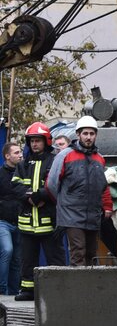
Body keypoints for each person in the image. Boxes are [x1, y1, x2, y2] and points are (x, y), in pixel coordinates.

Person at [47, 116, 112, 267]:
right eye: (85, 133)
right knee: (78, 252)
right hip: (71, 215)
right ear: (78, 135)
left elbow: (102, 186)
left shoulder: (99, 159)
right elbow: (51, 184)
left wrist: (107, 205)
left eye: (92, 134)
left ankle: (89, 289)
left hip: (93, 215)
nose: (88, 137)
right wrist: (64, 203)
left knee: (91, 254)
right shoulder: (65, 155)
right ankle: (76, 289)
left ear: (96, 135)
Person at [12, 123, 65, 300]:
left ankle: (59, 289)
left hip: (48, 220)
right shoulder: (23, 163)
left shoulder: (54, 160)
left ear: (46, 141)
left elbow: (57, 185)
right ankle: (28, 290)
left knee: (55, 258)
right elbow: (15, 185)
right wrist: (29, 197)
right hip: (27, 221)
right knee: (27, 259)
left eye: (38, 141)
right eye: (32, 141)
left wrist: (42, 196)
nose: (34, 144)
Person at [0, 143, 25, 295]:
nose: (20, 155)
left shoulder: (24, 173)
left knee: (17, 259)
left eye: (21, 152)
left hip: (21, 221)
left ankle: (14, 292)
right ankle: (2, 290)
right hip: (3, 222)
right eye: (16, 152)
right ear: (7, 156)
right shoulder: (0, 174)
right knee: (7, 250)